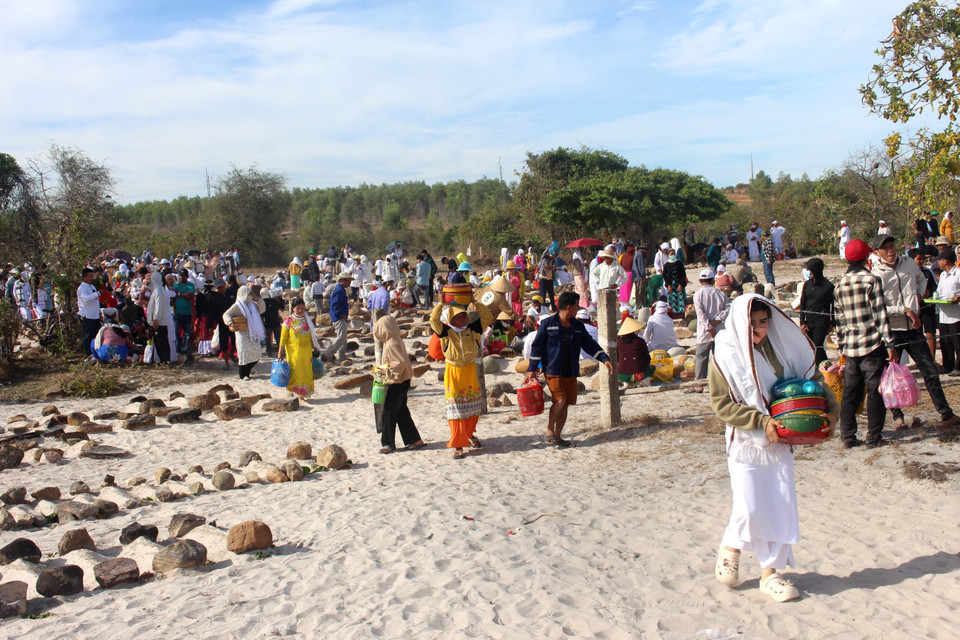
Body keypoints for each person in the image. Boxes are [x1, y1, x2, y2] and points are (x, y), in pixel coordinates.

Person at [710, 295, 839, 603]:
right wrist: (759, 420)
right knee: (750, 506)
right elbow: (721, 404)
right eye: (752, 323)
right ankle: (731, 546)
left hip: (782, 441)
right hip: (746, 443)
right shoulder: (725, 353)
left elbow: (812, 380)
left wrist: (832, 410)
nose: (758, 329)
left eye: (763, 322)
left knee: (780, 505)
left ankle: (771, 574)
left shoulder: (781, 346)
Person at [871, 237, 960, 430]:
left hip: (914, 329)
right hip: (891, 331)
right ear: (876, 251)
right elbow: (877, 308)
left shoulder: (908, 263)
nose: (890, 250)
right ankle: (897, 417)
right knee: (889, 376)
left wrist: (918, 296)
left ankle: (945, 413)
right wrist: (903, 309)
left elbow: (922, 279)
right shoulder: (875, 273)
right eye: (885, 248)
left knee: (930, 371)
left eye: (892, 246)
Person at [525, 291, 613, 447]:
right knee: (560, 399)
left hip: (570, 370)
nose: (578, 307)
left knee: (565, 404)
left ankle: (558, 437)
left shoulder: (578, 326)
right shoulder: (548, 324)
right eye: (577, 305)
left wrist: (604, 358)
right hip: (552, 369)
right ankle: (549, 431)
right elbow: (537, 347)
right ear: (569, 307)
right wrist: (532, 369)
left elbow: (589, 344)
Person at [833, 239, 898, 449]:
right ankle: (873, 436)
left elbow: (840, 320)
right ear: (865, 258)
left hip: (851, 346)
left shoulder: (840, 284)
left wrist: (842, 346)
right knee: (874, 391)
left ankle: (848, 436)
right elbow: (880, 314)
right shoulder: (871, 280)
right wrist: (890, 344)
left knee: (851, 392)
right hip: (871, 344)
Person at [430, 296, 493, 459]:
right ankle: (458, 444)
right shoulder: (445, 331)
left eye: (464, 315)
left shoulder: (473, 329)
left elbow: (487, 317)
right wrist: (440, 303)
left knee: (473, 406)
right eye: (458, 316)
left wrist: (475, 301)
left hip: (470, 370)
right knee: (456, 410)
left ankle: (470, 434)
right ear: (451, 318)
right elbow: (433, 320)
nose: (463, 318)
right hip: (453, 372)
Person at [373, 315, 425, 454]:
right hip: (404, 380)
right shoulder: (396, 339)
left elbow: (399, 363)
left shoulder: (391, 343)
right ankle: (414, 440)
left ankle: (388, 444)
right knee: (401, 412)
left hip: (397, 382)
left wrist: (386, 372)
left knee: (388, 413)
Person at [278, 297, 322, 398]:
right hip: (293, 352)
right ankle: (291, 390)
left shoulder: (307, 320)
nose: (300, 310)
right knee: (295, 371)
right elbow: (283, 338)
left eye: (303, 308)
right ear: (293, 308)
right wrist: (280, 352)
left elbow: (312, 336)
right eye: (298, 308)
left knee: (306, 371)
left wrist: (315, 348)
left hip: (306, 352)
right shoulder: (288, 321)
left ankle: (305, 392)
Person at [222, 285, 265, 380]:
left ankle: (249, 370)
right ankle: (243, 375)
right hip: (243, 334)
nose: (250, 295)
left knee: (256, 353)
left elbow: (262, 309)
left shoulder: (252, 304)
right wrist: (230, 323)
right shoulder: (237, 306)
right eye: (248, 294)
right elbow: (226, 314)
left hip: (253, 334)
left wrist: (257, 298)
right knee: (244, 354)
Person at [693, 269, 729, 381]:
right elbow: (727, 309)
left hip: (704, 332)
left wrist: (709, 327)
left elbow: (701, 314)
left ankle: (699, 384)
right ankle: (721, 382)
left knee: (701, 358)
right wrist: (717, 320)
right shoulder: (721, 293)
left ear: (700, 281)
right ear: (713, 280)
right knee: (719, 358)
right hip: (719, 330)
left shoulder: (698, 294)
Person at [798, 258, 834, 365]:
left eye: (809, 269)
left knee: (817, 346)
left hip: (822, 322)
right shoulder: (807, 285)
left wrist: (833, 323)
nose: (808, 272)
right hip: (809, 321)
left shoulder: (828, 287)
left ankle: (821, 369)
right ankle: (825, 366)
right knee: (811, 347)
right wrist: (802, 322)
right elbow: (803, 303)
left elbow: (833, 307)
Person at [911, 247, 939, 359]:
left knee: (930, 333)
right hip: (914, 308)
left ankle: (932, 359)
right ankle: (920, 359)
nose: (921, 261)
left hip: (927, 306)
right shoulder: (907, 273)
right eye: (919, 259)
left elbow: (935, 287)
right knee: (915, 335)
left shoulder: (927, 272)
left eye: (923, 259)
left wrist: (929, 292)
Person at [936, 248, 960, 376]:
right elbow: (940, 292)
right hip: (943, 314)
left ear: (945, 261)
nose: (938, 262)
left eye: (939, 260)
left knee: (958, 342)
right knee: (945, 342)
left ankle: (959, 367)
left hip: (956, 315)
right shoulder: (943, 275)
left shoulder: (958, 274)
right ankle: (947, 366)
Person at [322, 273, 352, 363]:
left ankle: (342, 357)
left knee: (343, 337)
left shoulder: (340, 289)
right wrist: (340, 314)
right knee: (341, 337)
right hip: (339, 317)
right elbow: (335, 304)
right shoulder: (339, 290)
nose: (349, 283)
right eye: (348, 281)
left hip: (340, 316)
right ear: (343, 280)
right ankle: (328, 353)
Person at [145, 270, 172, 363]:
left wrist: (156, 319)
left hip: (159, 322)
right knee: (159, 341)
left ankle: (165, 360)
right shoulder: (157, 290)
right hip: (158, 321)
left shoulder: (159, 291)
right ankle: (163, 360)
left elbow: (158, 306)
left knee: (162, 341)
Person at [617, 317, 650, 383]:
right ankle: (644, 381)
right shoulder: (640, 341)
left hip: (621, 374)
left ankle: (625, 382)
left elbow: (617, 358)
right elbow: (647, 359)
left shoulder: (618, 342)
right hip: (637, 375)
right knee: (652, 368)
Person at [172, 269, 196, 359]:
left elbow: (189, 296)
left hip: (186, 313)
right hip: (176, 313)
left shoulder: (190, 285)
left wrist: (178, 293)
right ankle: (177, 350)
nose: (182, 277)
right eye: (181, 275)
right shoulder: (175, 285)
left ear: (187, 276)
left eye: (184, 276)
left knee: (187, 333)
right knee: (176, 332)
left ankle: (184, 350)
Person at [77, 267, 101, 356]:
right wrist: (98, 293)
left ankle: (95, 353)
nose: (92, 278)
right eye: (90, 276)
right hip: (88, 316)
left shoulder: (91, 286)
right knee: (88, 337)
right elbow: (85, 299)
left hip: (95, 315)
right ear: (84, 277)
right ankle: (88, 354)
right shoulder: (82, 288)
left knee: (96, 336)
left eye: (92, 276)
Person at [661, 249, 687, 314]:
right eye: (671, 254)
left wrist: (681, 284)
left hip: (679, 285)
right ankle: (673, 315)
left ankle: (681, 314)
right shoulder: (667, 265)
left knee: (681, 299)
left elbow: (683, 274)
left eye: (674, 254)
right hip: (671, 286)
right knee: (672, 301)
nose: (673, 255)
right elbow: (664, 275)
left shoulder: (679, 263)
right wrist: (668, 285)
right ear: (668, 255)